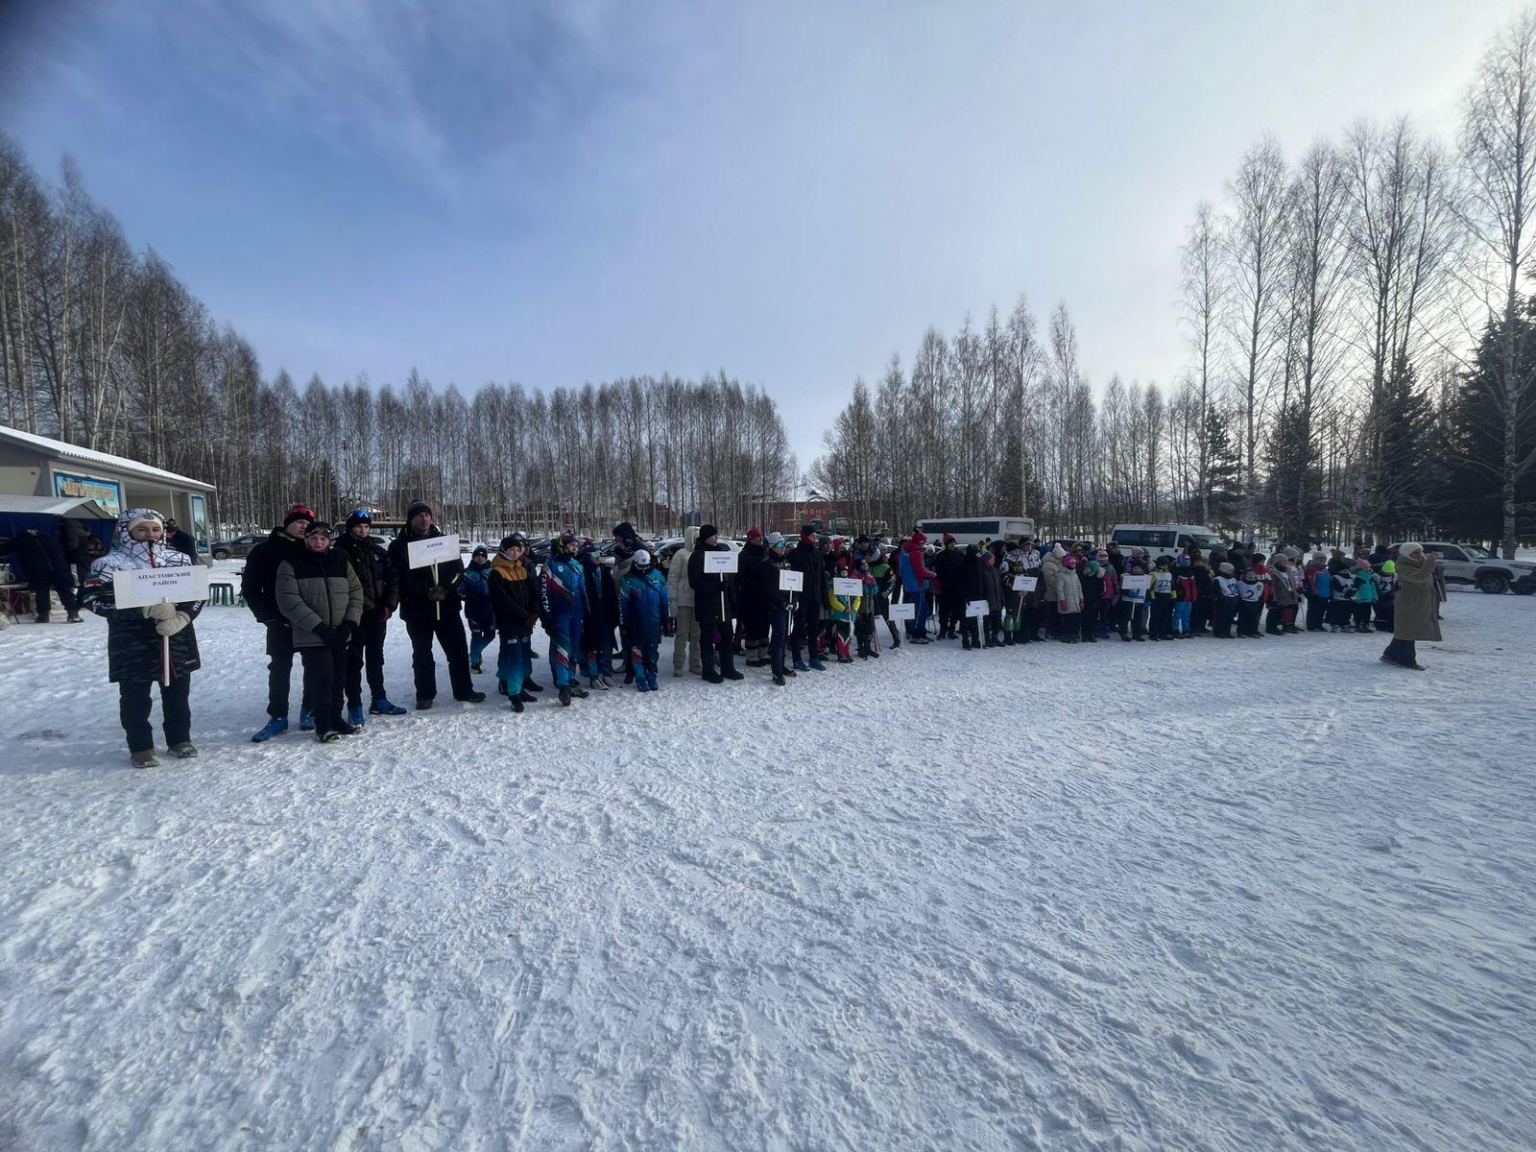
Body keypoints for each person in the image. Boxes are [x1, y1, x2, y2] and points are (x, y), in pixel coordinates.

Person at [85, 508, 202, 766]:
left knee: (177, 696)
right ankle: (141, 747)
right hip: (132, 643)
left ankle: (179, 739)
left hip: (175, 640)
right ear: (127, 531)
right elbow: (94, 600)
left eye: (155, 529)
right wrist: (141, 610)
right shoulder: (108, 564)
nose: (149, 534)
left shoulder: (179, 559)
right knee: (135, 699)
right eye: (141, 529)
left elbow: (196, 595)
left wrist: (182, 617)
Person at [387, 501, 486, 709]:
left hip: (447, 606)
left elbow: (458, 570)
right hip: (417, 610)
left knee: (458, 651)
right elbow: (400, 576)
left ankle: (463, 690)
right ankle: (425, 694)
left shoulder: (443, 542)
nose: (424, 519)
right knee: (422, 653)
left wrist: (445, 588)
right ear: (410, 519)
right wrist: (426, 590)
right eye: (419, 516)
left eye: (427, 515)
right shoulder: (399, 546)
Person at [275, 520, 364, 742]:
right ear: (306, 539)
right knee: (323, 678)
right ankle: (323, 725)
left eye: (323, 538)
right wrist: (319, 627)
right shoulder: (291, 563)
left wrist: (349, 624)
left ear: (330, 541)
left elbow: (356, 592)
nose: (318, 542)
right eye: (314, 538)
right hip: (312, 634)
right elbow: (289, 600)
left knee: (339, 678)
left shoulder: (340, 560)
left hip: (341, 632)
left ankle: (336, 718)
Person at [242, 504, 316, 740]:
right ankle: (278, 716)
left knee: (314, 666)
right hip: (279, 620)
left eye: (308, 523)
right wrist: (268, 616)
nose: (304, 526)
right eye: (299, 522)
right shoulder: (265, 550)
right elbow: (251, 587)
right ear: (287, 524)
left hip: (310, 620)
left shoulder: (313, 548)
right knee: (280, 668)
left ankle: (310, 710)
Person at [333, 510, 407, 725]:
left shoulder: (377, 551)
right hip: (353, 617)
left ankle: (379, 699)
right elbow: (344, 586)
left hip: (378, 616)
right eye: (358, 527)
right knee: (353, 662)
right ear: (350, 528)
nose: (363, 531)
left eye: (366, 527)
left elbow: (393, 579)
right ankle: (354, 704)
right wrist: (365, 608)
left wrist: (389, 605)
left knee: (376, 659)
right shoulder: (340, 552)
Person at [489, 533, 540, 712]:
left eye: (519, 550)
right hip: (509, 622)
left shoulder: (522, 568)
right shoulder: (497, 572)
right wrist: (524, 615)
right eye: (512, 549)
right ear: (504, 550)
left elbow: (533, 592)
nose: (515, 553)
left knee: (525, 654)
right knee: (515, 657)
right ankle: (514, 693)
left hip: (526, 621)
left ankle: (522, 686)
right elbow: (501, 600)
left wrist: (534, 611)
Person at [541, 531, 591, 706]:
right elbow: (544, 593)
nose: (575, 548)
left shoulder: (578, 566)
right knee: (563, 649)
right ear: (563, 546)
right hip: (560, 615)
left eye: (577, 546)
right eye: (571, 545)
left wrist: (587, 613)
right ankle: (563, 686)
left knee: (574, 650)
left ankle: (570, 681)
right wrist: (547, 617)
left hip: (576, 614)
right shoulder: (551, 565)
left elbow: (583, 592)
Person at [688, 524, 742, 682]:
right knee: (707, 639)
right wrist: (714, 586)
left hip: (724, 605)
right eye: (713, 536)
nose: (716, 538)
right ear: (705, 537)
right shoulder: (698, 556)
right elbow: (694, 582)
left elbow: (729, 580)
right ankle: (708, 670)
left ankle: (728, 668)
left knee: (727, 636)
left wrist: (733, 601)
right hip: (707, 605)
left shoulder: (722, 554)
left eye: (716, 535)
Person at [0, 519, 82, 623]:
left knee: (42, 592)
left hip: (39, 570)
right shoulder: (48, 537)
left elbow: (3, 550)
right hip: (59, 568)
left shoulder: (20, 540)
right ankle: (73, 615)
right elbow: (61, 549)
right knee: (65, 591)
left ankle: (43, 616)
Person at [1381, 543, 1439, 670]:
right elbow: (1419, 577)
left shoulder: (1422, 563)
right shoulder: (1403, 566)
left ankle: (1390, 654)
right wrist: (1430, 563)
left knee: (1405, 630)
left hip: (1420, 602)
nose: (1419, 555)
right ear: (1407, 554)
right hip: (1408, 602)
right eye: (1415, 553)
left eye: (1420, 552)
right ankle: (1407, 660)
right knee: (1408, 631)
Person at [619, 548, 669, 692]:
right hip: (636, 622)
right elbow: (622, 605)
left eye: (645, 566)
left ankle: (652, 676)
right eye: (640, 566)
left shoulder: (658, 576)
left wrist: (666, 621)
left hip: (654, 621)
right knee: (637, 651)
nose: (643, 569)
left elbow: (664, 601)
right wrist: (624, 625)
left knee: (653, 651)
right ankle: (640, 678)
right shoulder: (627, 580)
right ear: (635, 563)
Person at [577, 541, 620, 688]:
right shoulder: (582, 571)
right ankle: (594, 675)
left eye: (600, 554)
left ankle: (607, 673)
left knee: (607, 645)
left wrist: (615, 614)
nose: (598, 557)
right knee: (592, 646)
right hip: (591, 616)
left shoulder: (603, 571)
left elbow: (612, 594)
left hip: (606, 615)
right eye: (595, 554)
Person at [790, 524, 827, 671]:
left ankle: (813, 657)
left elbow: (822, 578)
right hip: (800, 599)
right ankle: (796, 658)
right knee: (798, 628)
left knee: (813, 628)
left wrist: (825, 598)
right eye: (812, 536)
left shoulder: (817, 554)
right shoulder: (794, 555)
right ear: (805, 537)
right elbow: (789, 578)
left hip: (815, 598)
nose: (815, 539)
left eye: (816, 536)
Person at [667, 527, 702, 678]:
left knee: (697, 634)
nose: (696, 541)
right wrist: (672, 600)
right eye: (694, 538)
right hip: (683, 599)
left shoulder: (701, 553)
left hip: (698, 598)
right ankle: (678, 665)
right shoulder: (680, 554)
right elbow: (672, 578)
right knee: (681, 634)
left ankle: (695, 664)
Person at [737, 528, 773, 667]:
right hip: (750, 595)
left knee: (765, 624)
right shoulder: (744, 555)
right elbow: (740, 576)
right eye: (757, 537)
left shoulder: (764, 552)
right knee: (753, 625)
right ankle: (751, 655)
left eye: (761, 536)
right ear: (751, 539)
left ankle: (763, 653)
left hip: (765, 595)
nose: (760, 539)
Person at [762, 533, 794, 685]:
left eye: (784, 545)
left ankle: (781, 664)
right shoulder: (767, 563)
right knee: (778, 637)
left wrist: (795, 599)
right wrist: (782, 602)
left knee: (783, 637)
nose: (783, 548)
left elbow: (792, 582)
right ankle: (777, 672)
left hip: (786, 603)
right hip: (775, 606)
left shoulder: (785, 561)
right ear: (773, 547)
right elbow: (770, 588)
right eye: (780, 546)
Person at [463, 545, 497, 675]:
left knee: (490, 635)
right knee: (476, 635)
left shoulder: (492, 572)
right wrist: (465, 595)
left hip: (489, 609)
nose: (480, 558)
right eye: (477, 555)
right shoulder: (467, 572)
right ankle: (475, 663)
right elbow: (460, 588)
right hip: (473, 610)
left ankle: (474, 653)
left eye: (483, 555)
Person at [898, 531, 937, 643]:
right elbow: (920, 572)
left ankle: (921, 632)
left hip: (909, 584)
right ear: (920, 542)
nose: (924, 545)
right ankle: (916, 634)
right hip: (917, 585)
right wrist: (932, 574)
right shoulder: (916, 553)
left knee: (923, 609)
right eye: (923, 543)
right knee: (920, 610)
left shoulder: (905, 551)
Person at [866, 544, 901, 650]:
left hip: (881, 598)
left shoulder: (885, 567)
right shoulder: (868, 566)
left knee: (888, 618)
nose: (866, 557)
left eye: (868, 555)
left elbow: (892, 583)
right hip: (870, 597)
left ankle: (897, 639)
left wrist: (884, 594)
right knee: (868, 617)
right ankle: (869, 637)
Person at [932, 534, 965, 640]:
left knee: (956, 610)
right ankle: (943, 630)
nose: (952, 545)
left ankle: (951, 630)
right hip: (945, 587)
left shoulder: (960, 554)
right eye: (950, 543)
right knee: (943, 611)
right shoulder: (940, 556)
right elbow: (938, 571)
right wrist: (944, 580)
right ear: (946, 545)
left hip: (957, 587)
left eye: (953, 543)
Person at [1055, 555, 1083, 643]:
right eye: (1072, 563)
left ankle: (1074, 634)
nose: (1074, 565)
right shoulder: (1061, 575)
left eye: (1075, 563)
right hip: (1067, 601)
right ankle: (1065, 635)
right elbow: (1059, 589)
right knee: (1067, 620)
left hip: (1076, 601)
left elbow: (1079, 588)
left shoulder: (1075, 575)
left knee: (1076, 619)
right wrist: (1062, 601)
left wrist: (1081, 599)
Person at [1211, 562, 1239, 640]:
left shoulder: (1233, 579)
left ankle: (1227, 631)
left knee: (1230, 617)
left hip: (1232, 599)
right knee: (1221, 617)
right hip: (1222, 600)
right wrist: (1222, 598)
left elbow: (1236, 589)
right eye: (1229, 570)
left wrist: (1236, 598)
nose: (1231, 572)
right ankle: (1219, 631)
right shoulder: (1218, 579)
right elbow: (1217, 591)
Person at [1351, 559, 1379, 634]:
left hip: (1368, 599)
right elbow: (1354, 590)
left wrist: (1374, 596)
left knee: (1367, 613)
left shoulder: (1370, 577)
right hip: (1360, 600)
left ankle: (1366, 625)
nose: (1368, 569)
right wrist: (1357, 598)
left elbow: (1373, 588)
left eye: (1368, 567)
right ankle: (1359, 625)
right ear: (1361, 568)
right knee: (1359, 613)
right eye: (1366, 567)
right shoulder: (1357, 578)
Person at [1236, 568, 1266, 638]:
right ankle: (1241, 631)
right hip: (1244, 602)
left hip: (1255, 602)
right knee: (1243, 618)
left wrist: (1260, 602)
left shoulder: (1259, 584)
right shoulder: (1240, 583)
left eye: (1252, 574)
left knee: (1254, 618)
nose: (1251, 576)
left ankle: (1252, 631)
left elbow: (1261, 594)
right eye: (1249, 574)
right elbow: (1238, 592)